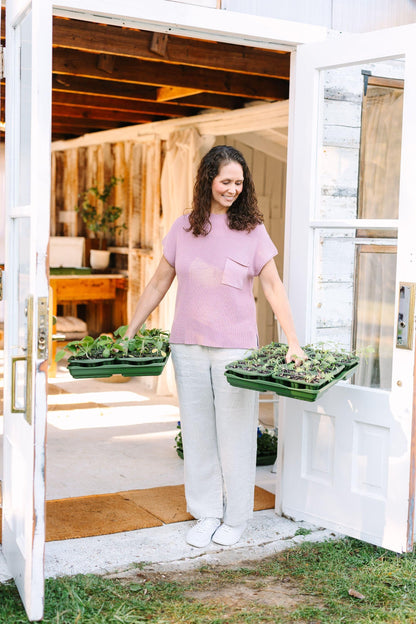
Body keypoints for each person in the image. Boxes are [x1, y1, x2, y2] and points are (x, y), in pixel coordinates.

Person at [126, 145, 305, 548]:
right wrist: (131, 329)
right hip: (187, 346)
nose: (233, 189)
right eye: (226, 181)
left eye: (239, 183)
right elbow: (158, 282)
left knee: (236, 434)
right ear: (208, 179)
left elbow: (273, 286)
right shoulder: (184, 227)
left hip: (234, 350)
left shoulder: (252, 230)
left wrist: (292, 340)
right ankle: (206, 513)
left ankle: (236, 518)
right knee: (197, 433)